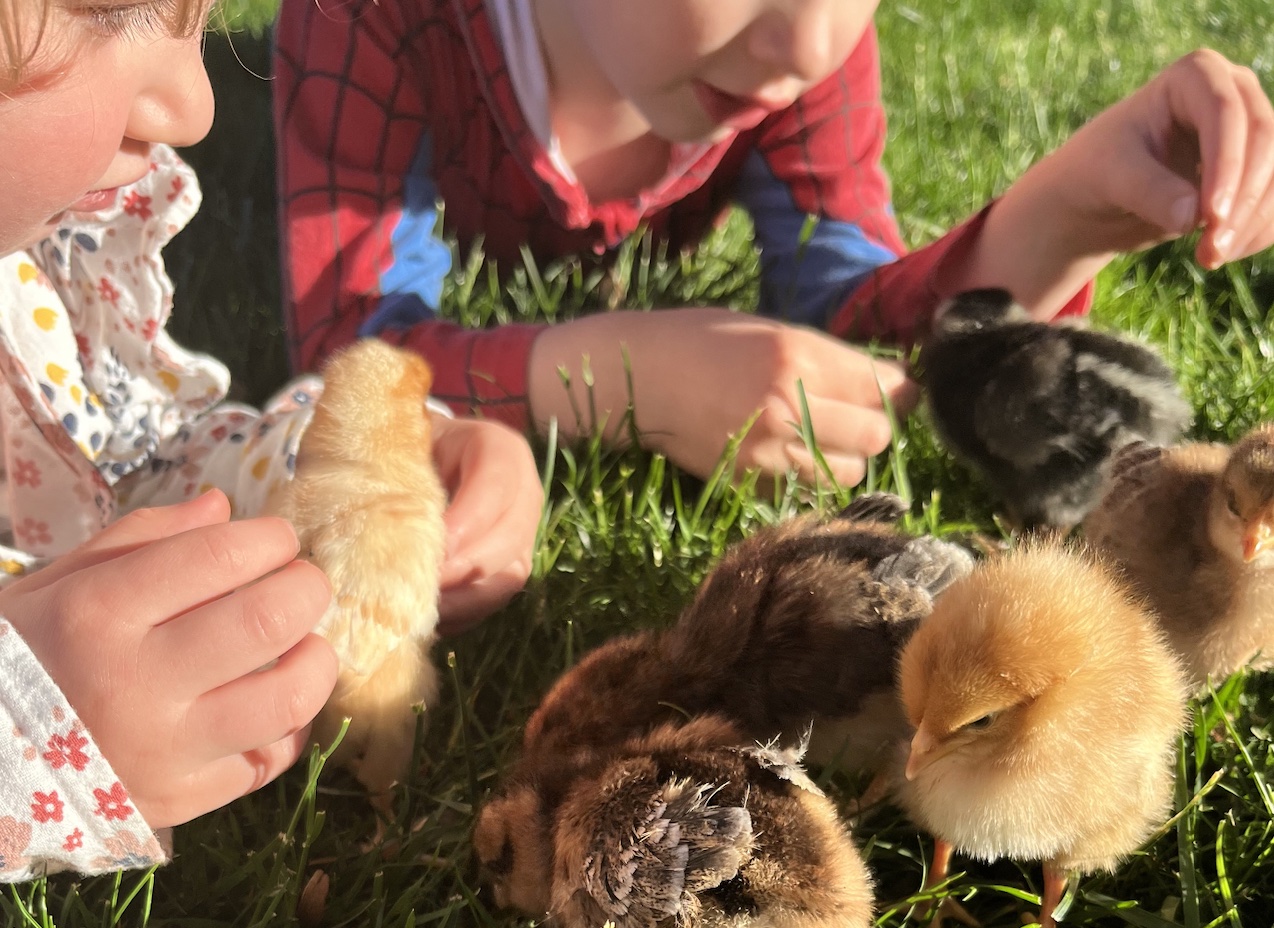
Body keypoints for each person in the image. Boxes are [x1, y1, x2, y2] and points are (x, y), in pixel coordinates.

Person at [274, 0, 1274, 487]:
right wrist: (612, 380)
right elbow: (349, 353)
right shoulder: (367, 15)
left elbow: (845, 312)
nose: (808, 45)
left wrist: (1066, 216)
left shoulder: (804, 38)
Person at [0, 0, 541, 880]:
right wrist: (27, 739)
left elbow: (145, 459)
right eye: (106, 9)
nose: (195, 104)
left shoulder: (37, 260)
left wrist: (364, 462)